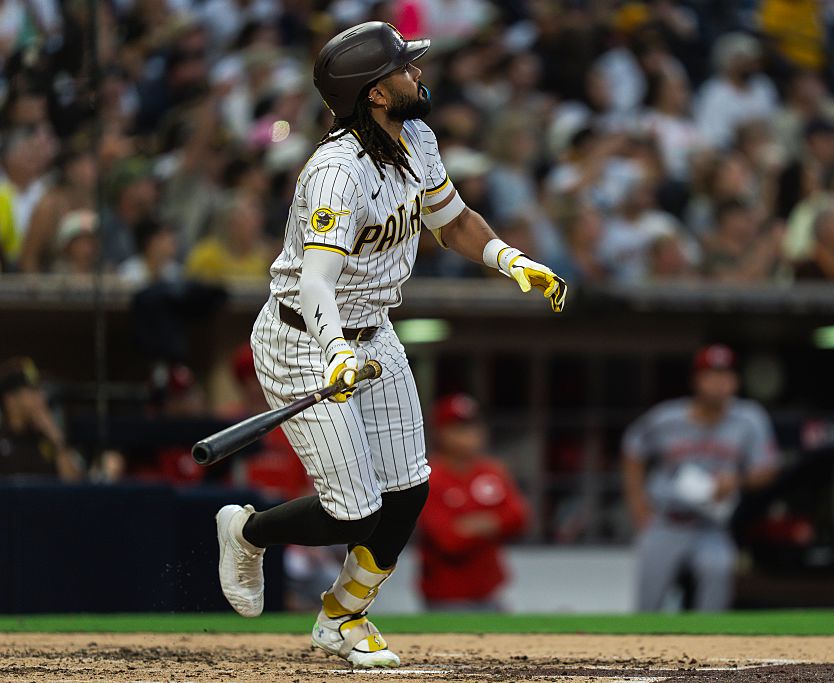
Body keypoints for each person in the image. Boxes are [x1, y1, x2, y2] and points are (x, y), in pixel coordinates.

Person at [214, 22, 566, 669]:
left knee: (407, 490)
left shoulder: (419, 139)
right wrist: (337, 352)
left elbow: (453, 220)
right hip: (302, 338)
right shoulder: (334, 173)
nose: (418, 74)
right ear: (374, 93)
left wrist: (509, 258)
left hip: (373, 328)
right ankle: (247, 530)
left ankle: (342, 615)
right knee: (353, 514)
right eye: (405, 69)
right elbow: (316, 281)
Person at [622, 345, 779, 612]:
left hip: (711, 525)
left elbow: (768, 468)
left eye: (726, 375)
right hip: (666, 521)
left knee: (717, 578)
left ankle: (706, 651)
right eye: (711, 375)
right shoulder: (667, 418)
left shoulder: (749, 419)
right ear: (696, 380)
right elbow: (632, 449)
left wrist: (737, 480)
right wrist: (637, 505)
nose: (719, 383)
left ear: (736, 381)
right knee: (647, 608)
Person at [417, 394, 529, 611]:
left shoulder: (491, 471)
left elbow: (519, 517)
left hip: (490, 591)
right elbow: (448, 540)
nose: (471, 434)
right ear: (441, 432)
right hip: (445, 595)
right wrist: (493, 521)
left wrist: (475, 524)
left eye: (474, 426)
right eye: (460, 428)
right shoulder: (430, 477)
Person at [0, 357, 82, 481]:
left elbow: (74, 487)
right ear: (10, 400)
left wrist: (56, 437)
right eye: (32, 391)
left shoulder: (46, 439)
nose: (40, 397)